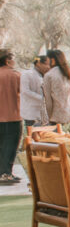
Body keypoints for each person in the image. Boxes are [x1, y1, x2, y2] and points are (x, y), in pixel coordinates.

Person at [0, 51, 20, 184]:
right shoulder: (16, 75)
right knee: (10, 146)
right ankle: (6, 173)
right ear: (7, 61)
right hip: (12, 116)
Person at [43, 49, 70, 126]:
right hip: (69, 113)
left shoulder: (49, 75)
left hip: (56, 117)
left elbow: (48, 101)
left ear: (52, 60)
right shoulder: (67, 74)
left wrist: (49, 117)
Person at [20, 54, 48, 128]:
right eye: (46, 64)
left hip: (43, 114)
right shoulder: (26, 74)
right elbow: (25, 91)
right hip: (31, 113)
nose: (48, 67)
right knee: (33, 133)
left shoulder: (45, 75)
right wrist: (43, 99)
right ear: (38, 63)